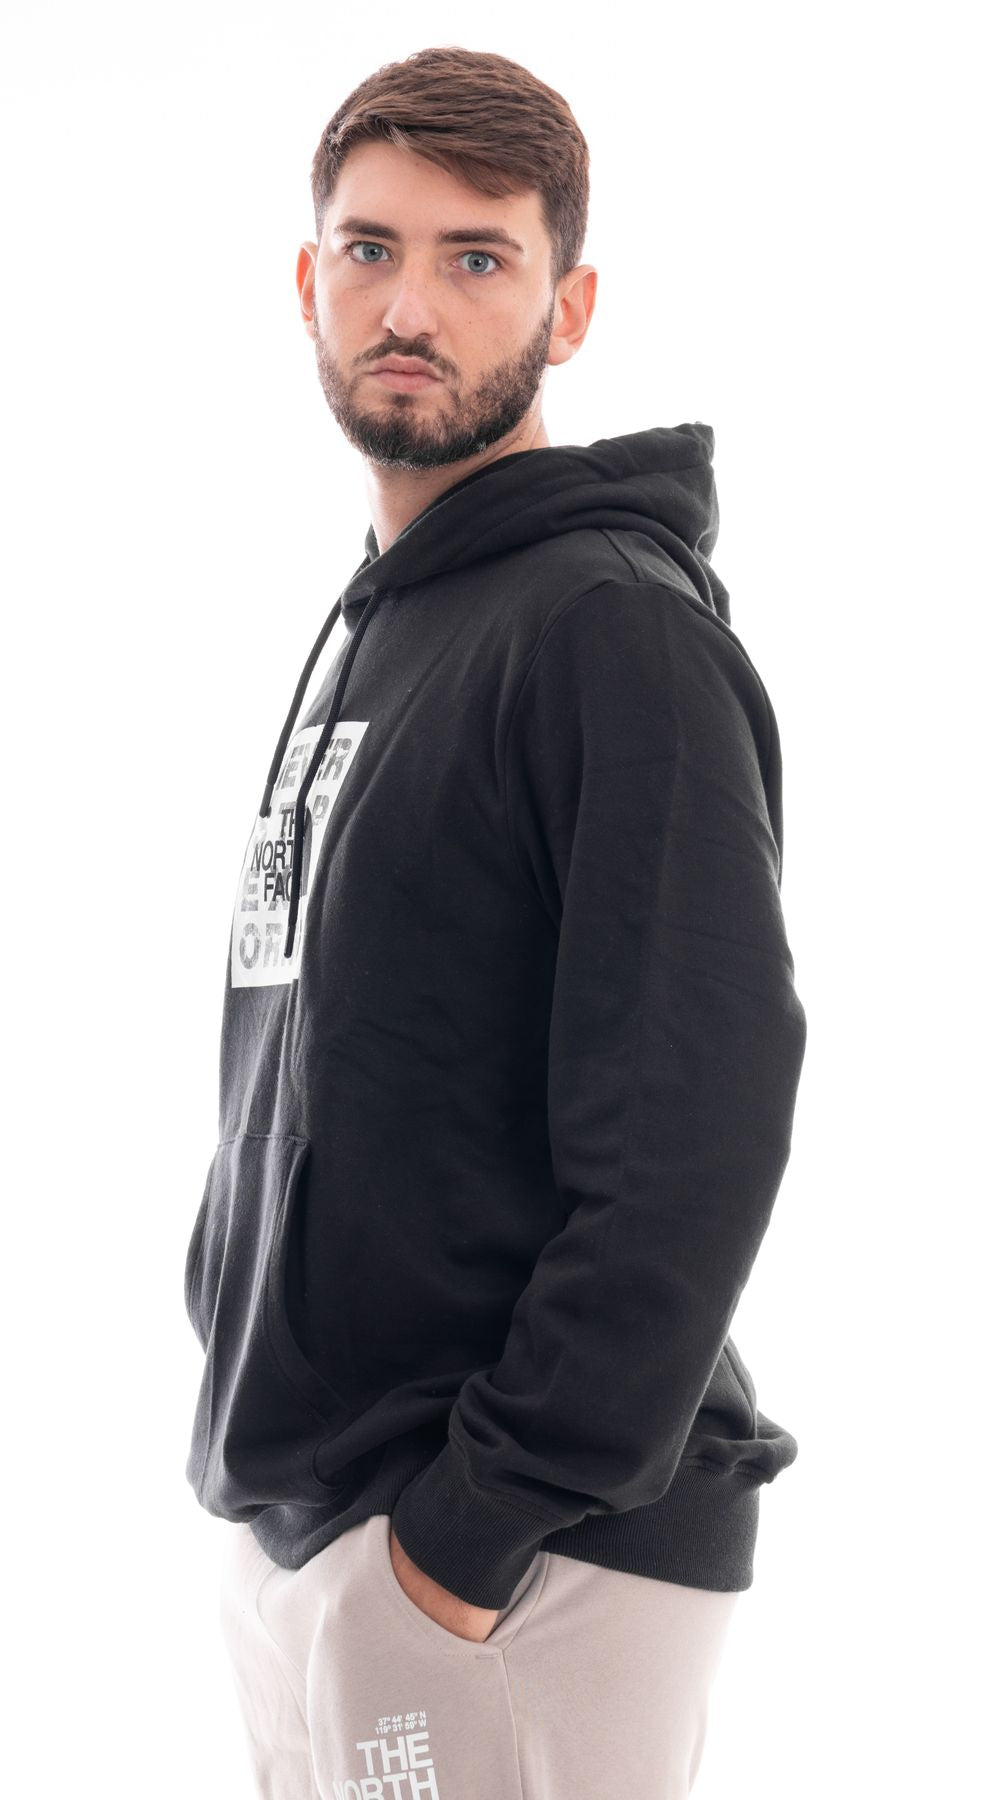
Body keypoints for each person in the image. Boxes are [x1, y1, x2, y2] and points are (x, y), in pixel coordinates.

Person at [182, 44, 808, 1800]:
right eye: (370, 250)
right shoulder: (381, 628)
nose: (410, 305)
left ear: (569, 305)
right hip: (318, 1532)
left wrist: (471, 1533)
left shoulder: (611, 631)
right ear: (309, 281)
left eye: (478, 257)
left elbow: (696, 1128)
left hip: (513, 1565)